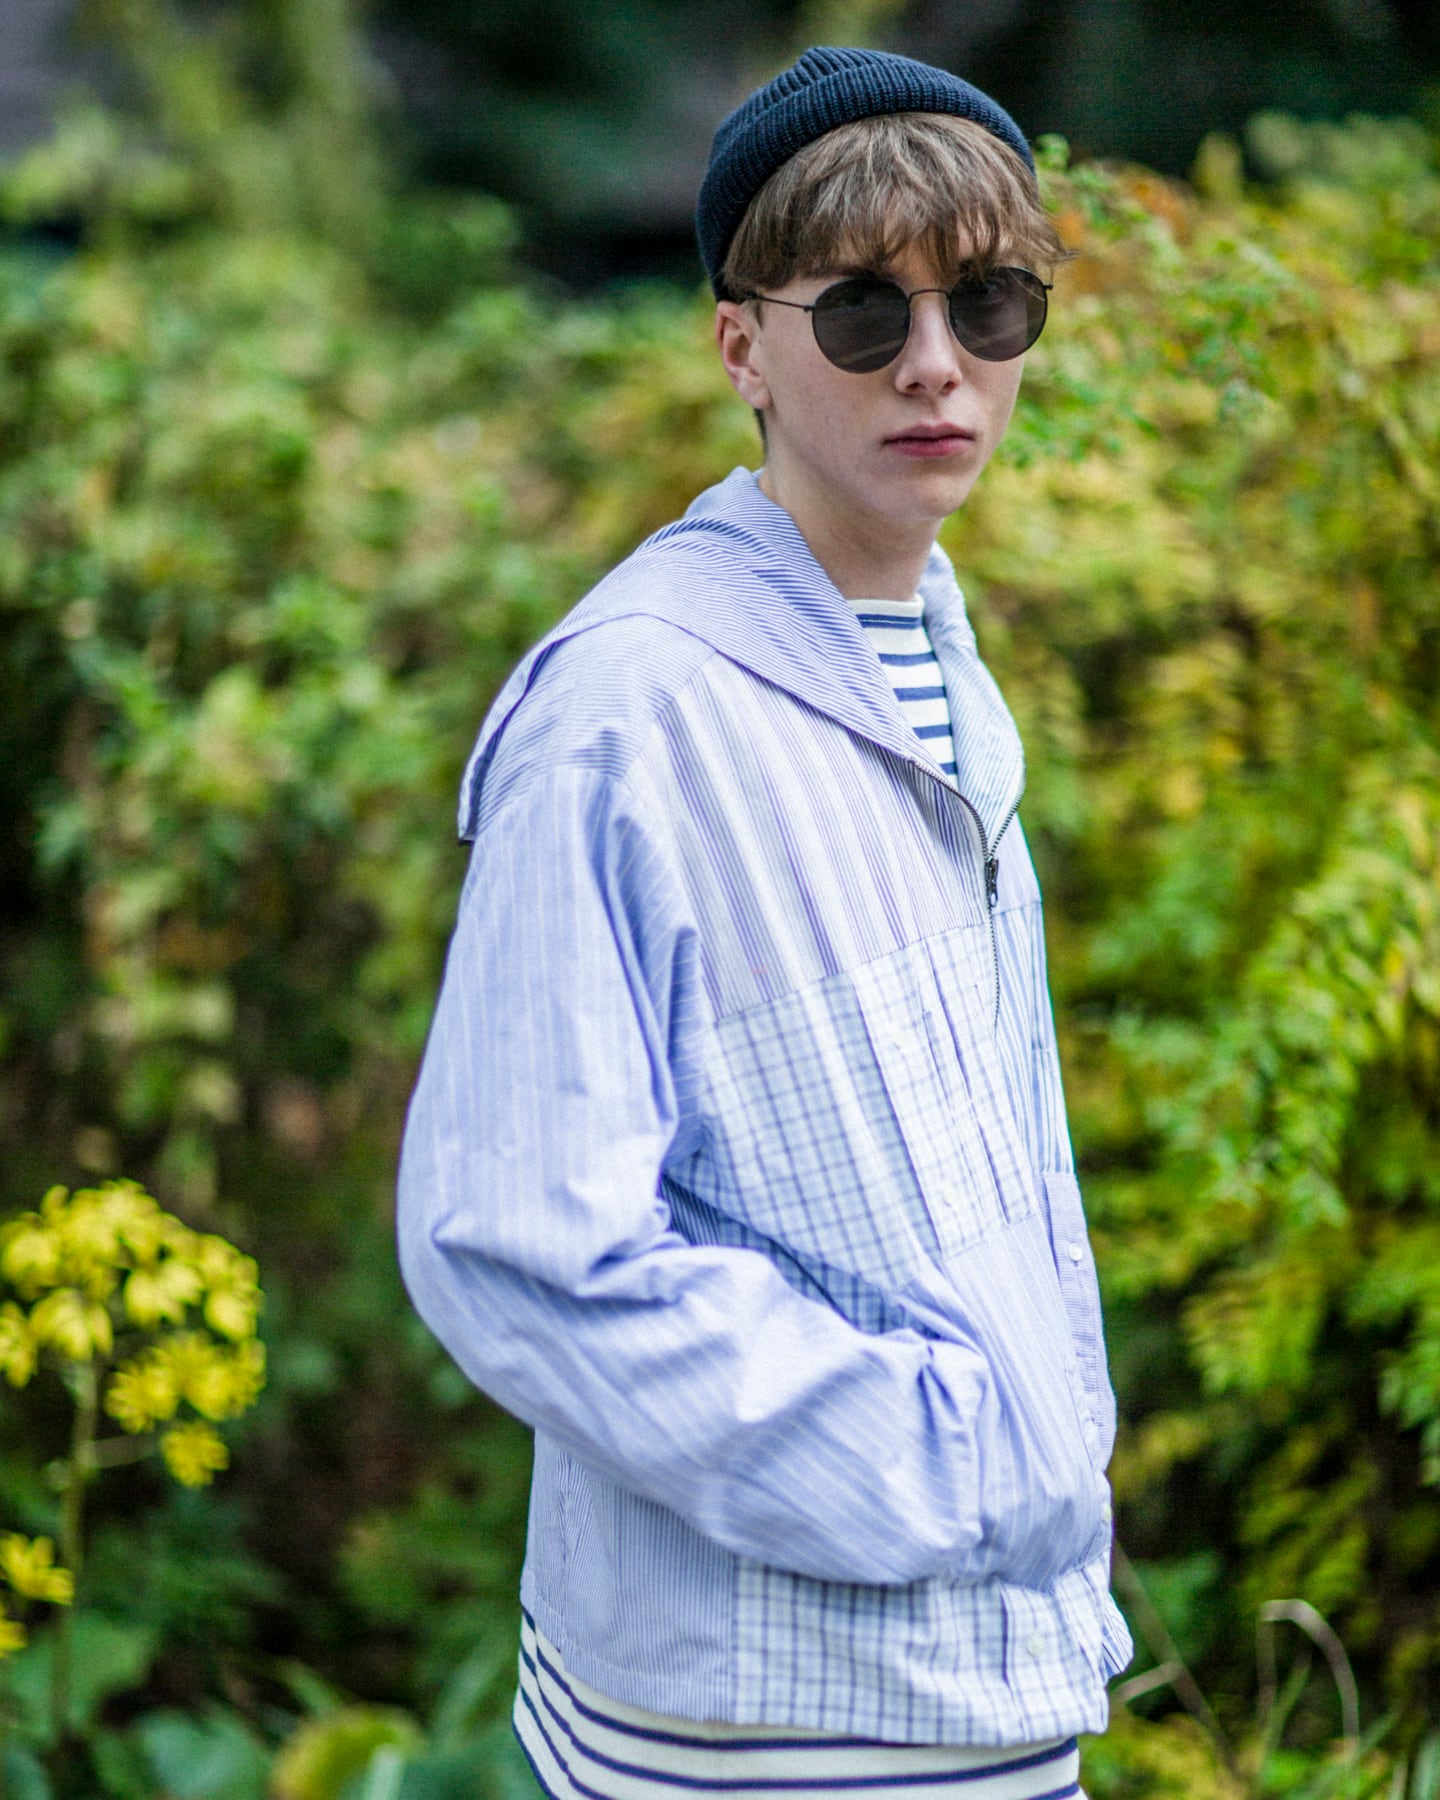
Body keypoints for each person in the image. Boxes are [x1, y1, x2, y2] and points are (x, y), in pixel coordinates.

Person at [397, 43, 1131, 1800]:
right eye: (865, 312)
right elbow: (514, 1238)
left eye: (990, 302)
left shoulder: (936, 664)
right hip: (765, 1725)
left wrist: (1036, 1459)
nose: (938, 363)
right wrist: (942, 1466)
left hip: (982, 1679)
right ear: (741, 347)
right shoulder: (628, 718)